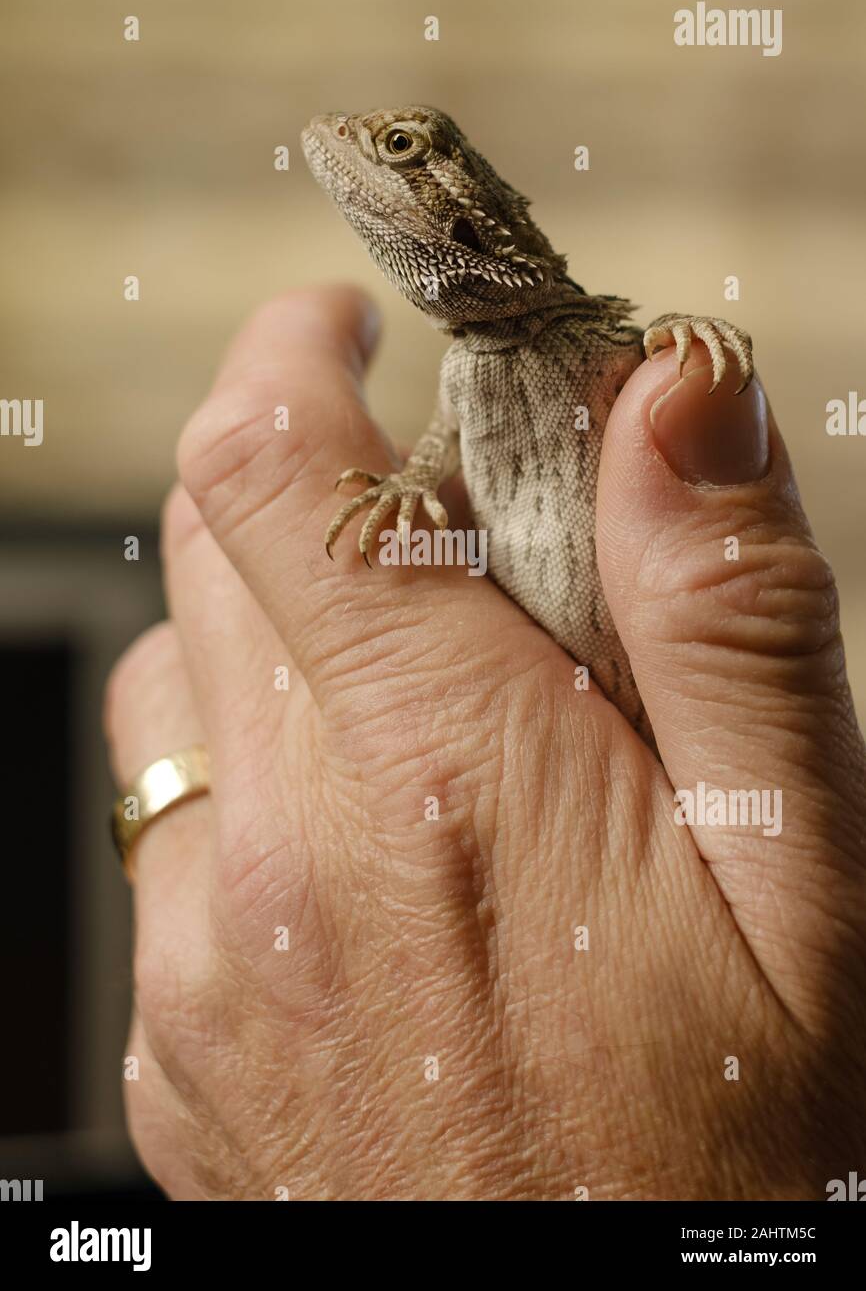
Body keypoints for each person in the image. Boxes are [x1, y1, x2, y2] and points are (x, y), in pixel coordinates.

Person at [104, 286, 866, 1200]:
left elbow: (665, 363)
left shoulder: (579, 336)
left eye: (399, 140)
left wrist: (702, 335)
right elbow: (443, 447)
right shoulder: (471, 366)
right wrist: (403, 489)